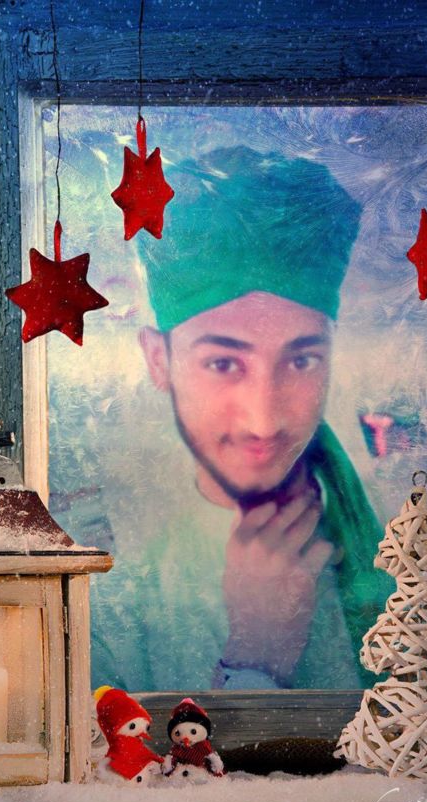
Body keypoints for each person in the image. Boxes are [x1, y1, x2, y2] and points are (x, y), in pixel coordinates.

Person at [90, 145, 395, 691]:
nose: (263, 419)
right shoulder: (113, 602)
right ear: (159, 360)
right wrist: (255, 655)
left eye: (301, 360)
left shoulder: (404, 554)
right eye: (224, 363)